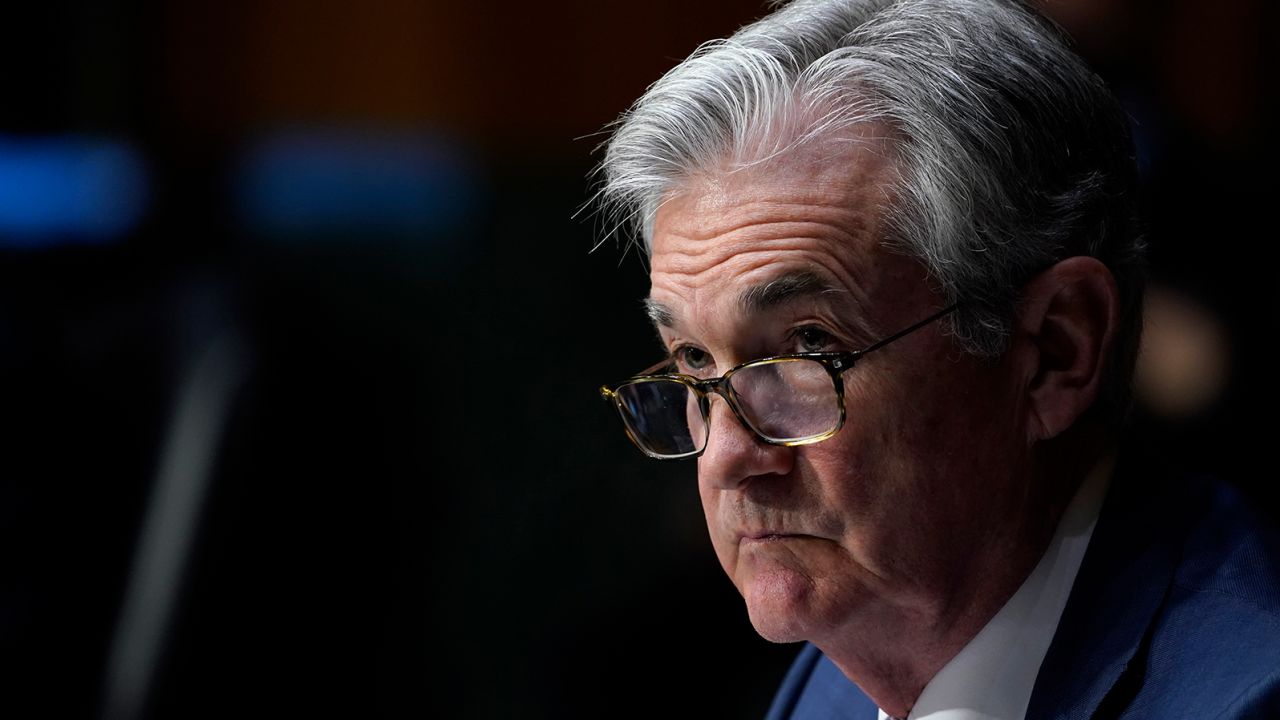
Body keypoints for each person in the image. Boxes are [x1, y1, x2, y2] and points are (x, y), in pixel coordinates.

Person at [592, 0, 1280, 717]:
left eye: (807, 348)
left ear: (1053, 352)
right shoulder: (837, 678)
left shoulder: (1249, 695)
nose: (727, 457)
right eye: (696, 362)